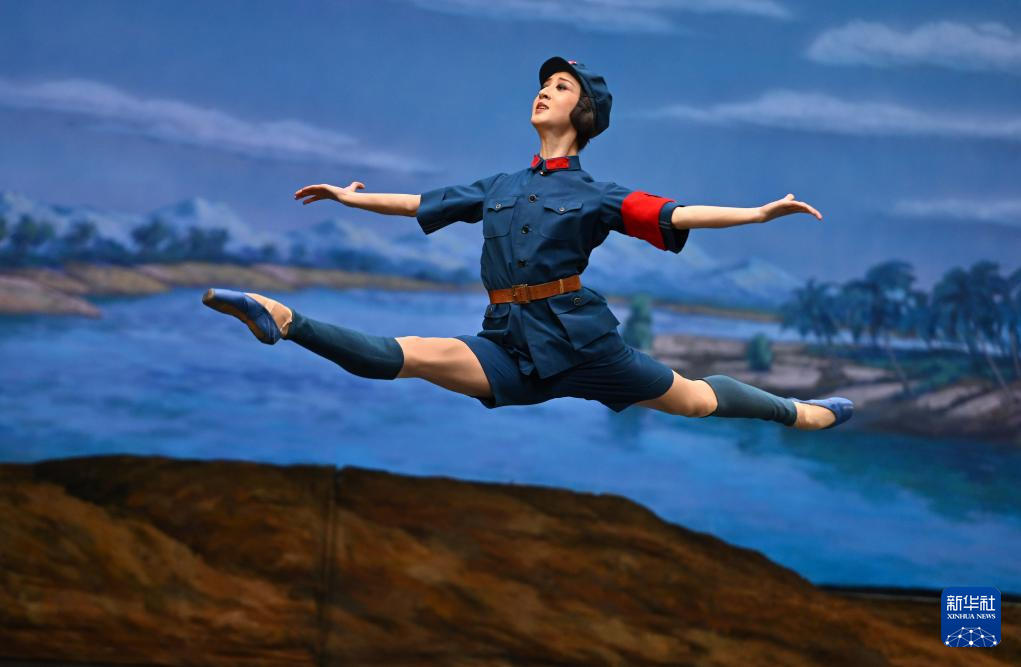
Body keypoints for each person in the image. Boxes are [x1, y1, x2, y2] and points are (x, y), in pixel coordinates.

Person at [202, 56, 853, 430]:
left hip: (582, 343)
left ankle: (801, 413)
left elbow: (678, 213)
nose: (545, 90)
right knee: (413, 354)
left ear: (583, 113)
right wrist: (351, 199)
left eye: (562, 86)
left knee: (695, 398)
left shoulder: (597, 195)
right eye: (545, 84)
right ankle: (285, 320)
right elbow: (421, 203)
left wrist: (758, 213)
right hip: (510, 343)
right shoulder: (499, 186)